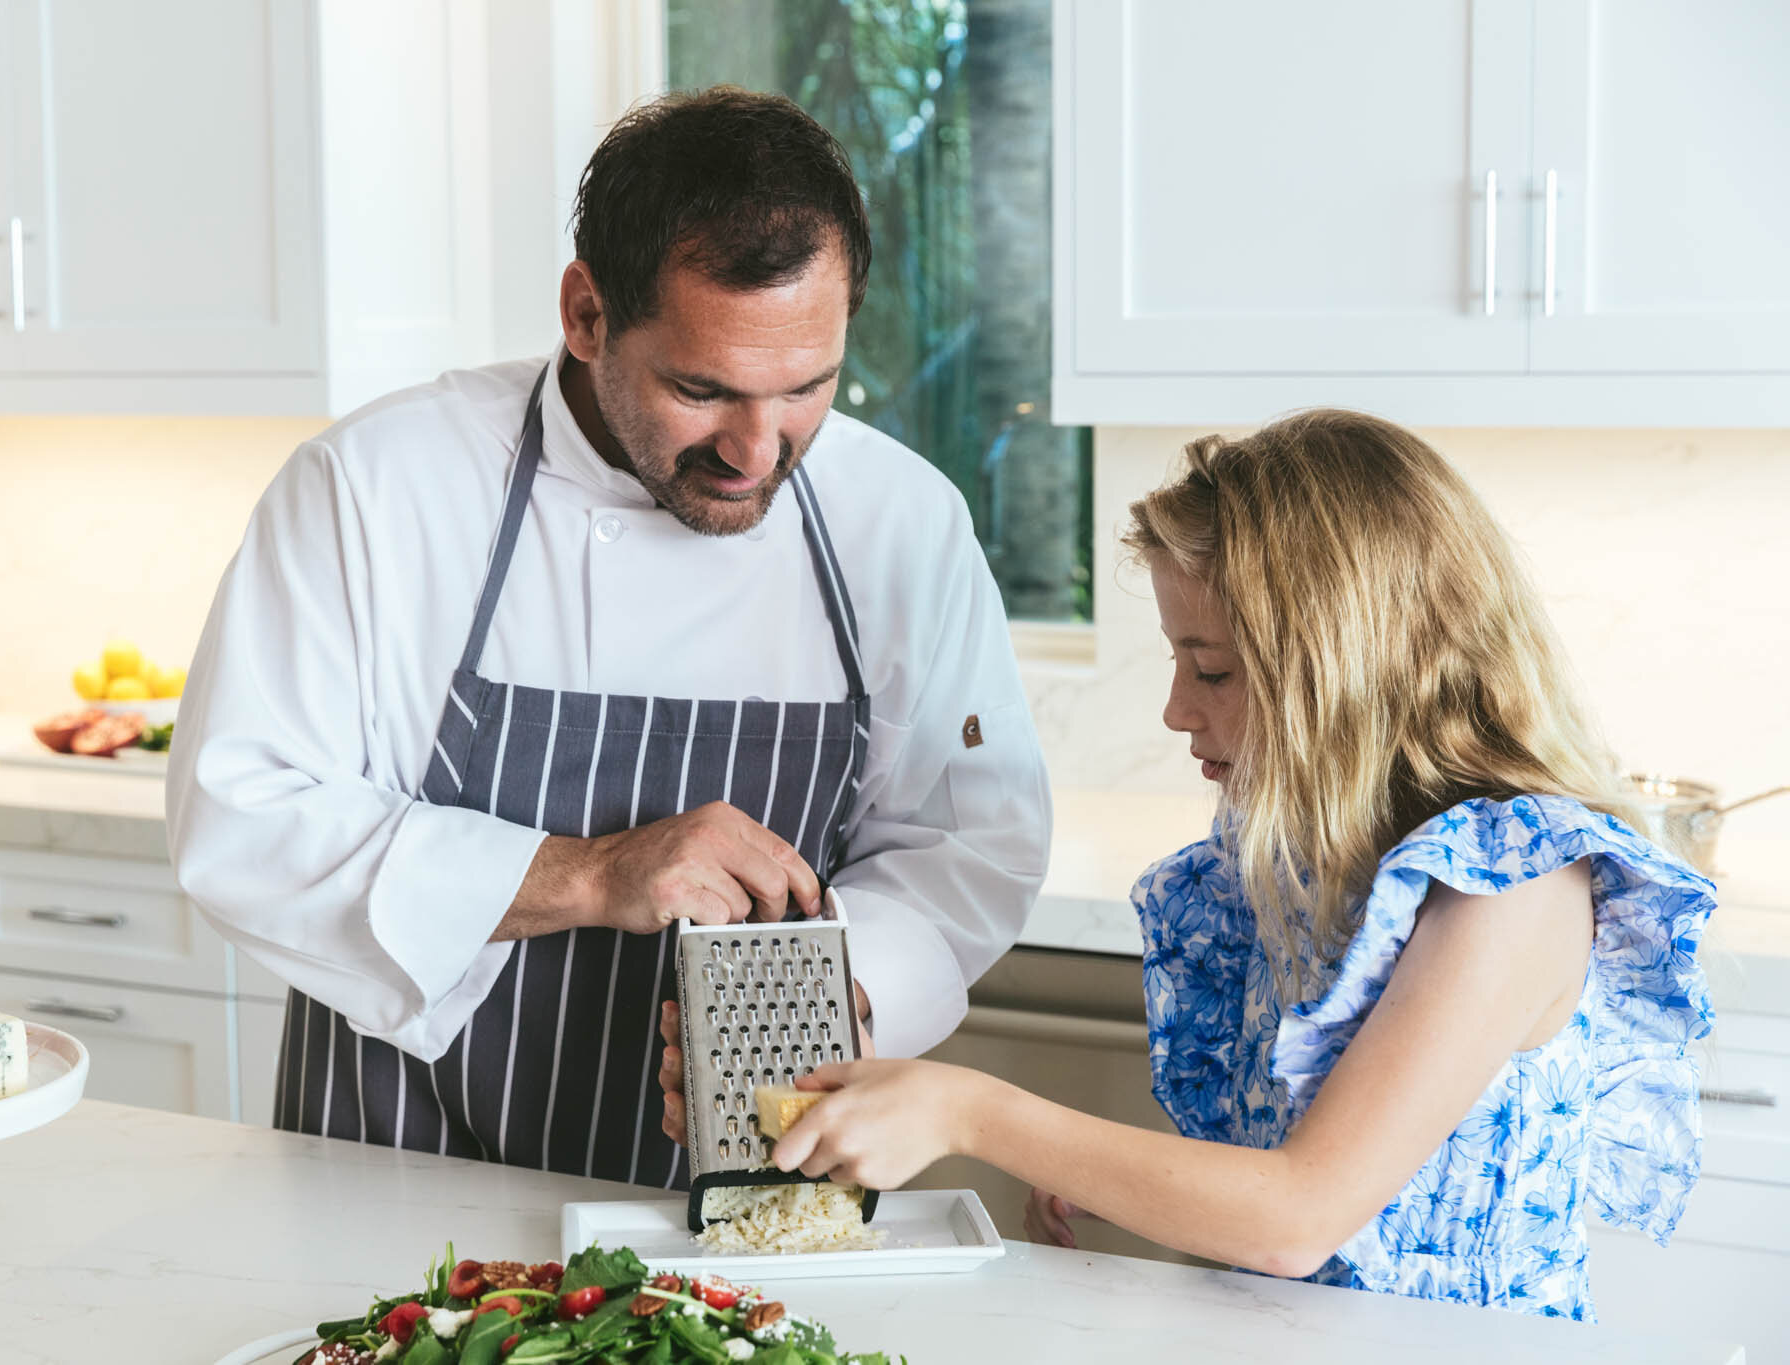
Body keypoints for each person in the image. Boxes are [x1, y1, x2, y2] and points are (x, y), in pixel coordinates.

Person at [163, 86, 1051, 1189]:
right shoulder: (377, 490)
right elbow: (239, 816)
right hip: (395, 1175)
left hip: (749, 1198)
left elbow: (967, 842)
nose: (755, 451)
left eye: (807, 387)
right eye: (700, 389)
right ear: (585, 315)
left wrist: (841, 994)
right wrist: (588, 875)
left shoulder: (900, 522)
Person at [755, 410, 1715, 1320]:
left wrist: (972, 1109)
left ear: (1343, 666)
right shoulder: (1299, 868)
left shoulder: (1515, 889)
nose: (1176, 709)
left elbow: (1301, 1212)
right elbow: (1274, 1182)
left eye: (1210, 669)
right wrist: (1130, 1192)